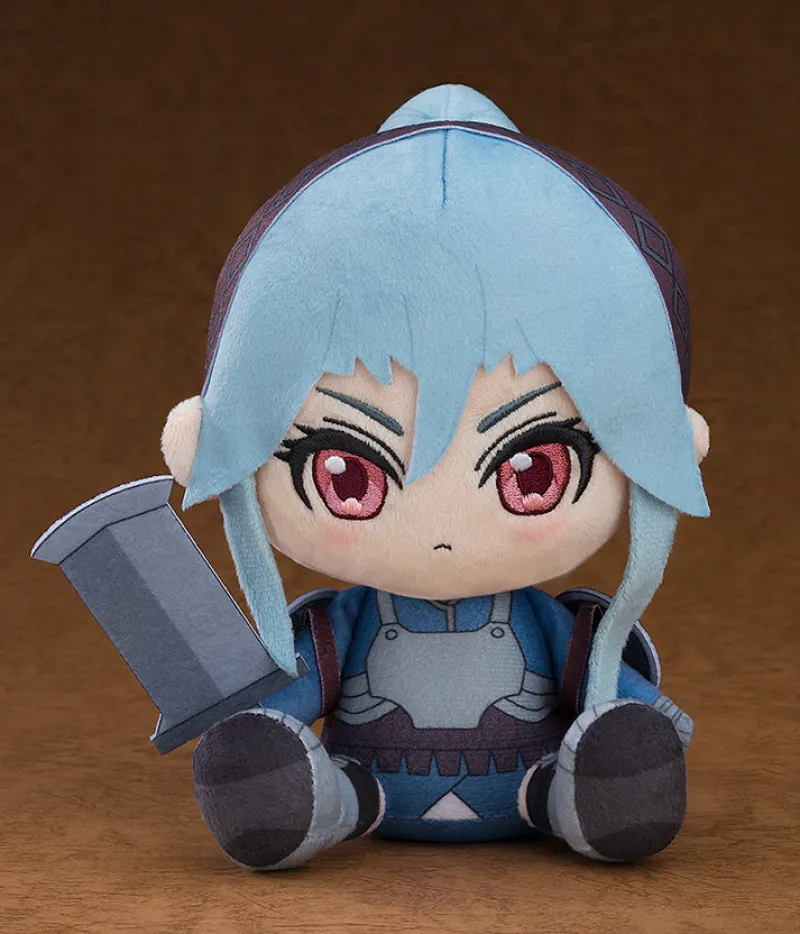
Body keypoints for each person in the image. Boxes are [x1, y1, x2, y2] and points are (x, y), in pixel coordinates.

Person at [161, 84, 710, 870]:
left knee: (612, 755)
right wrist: (255, 739)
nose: (443, 533)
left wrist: (638, 733)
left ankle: (584, 800)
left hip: (532, 780)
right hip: (367, 790)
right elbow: (273, 711)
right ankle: (307, 807)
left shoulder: (546, 626)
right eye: (349, 475)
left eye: (534, 470)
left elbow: (621, 699)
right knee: (279, 765)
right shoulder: (343, 627)